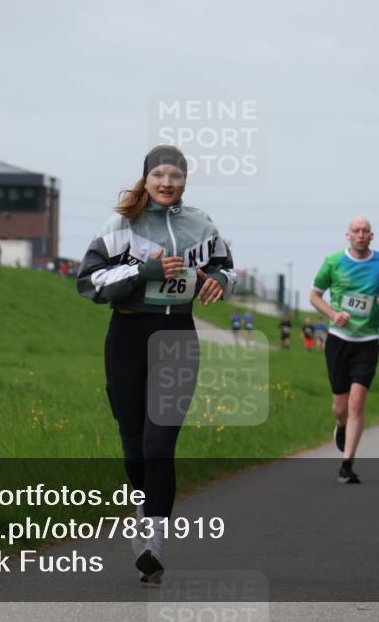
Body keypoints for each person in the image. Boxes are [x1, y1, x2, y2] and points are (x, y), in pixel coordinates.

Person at [76, 145, 234, 583]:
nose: (168, 183)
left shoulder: (201, 224)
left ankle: (154, 544)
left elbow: (228, 266)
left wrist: (220, 279)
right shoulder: (121, 225)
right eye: (159, 175)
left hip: (177, 339)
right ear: (145, 179)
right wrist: (141, 273)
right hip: (127, 338)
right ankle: (143, 511)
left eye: (176, 176)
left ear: (185, 181)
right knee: (134, 447)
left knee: (159, 445)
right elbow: (87, 281)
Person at [310, 216, 379, 484]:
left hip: (368, 341)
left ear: (372, 236)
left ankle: (346, 464)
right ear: (347, 235)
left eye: (366, 231)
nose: (361, 235)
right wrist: (333, 313)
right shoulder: (333, 262)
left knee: (357, 401)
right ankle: (340, 425)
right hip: (338, 339)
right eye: (356, 231)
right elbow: (314, 295)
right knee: (340, 406)